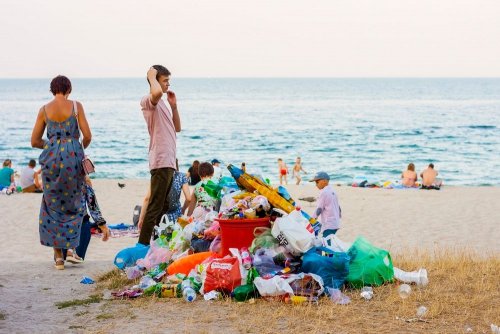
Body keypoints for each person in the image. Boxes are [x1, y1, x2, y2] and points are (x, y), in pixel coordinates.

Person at [31, 75, 91, 270]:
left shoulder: (44, 110)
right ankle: (72, 249)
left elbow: (34, 141)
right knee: (76, 202)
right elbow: (87, 135)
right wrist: (77, 146)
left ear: (52, 90)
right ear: (69, 89)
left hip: (52, 160)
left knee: (52, 204)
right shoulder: (76, 106)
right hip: (73, 158)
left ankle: (58, 258)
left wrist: (52, 145)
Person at [138, 65, 181, 247]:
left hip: (169, 161)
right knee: (155, 206)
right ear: (154, 81)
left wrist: (174, 106)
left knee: (163, 206)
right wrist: (151, 75)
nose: (168, 84)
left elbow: (177, 127)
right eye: (165, 80)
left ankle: (157, 244)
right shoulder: (148, 101)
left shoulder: (163, 103)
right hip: (160, 160)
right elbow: (155, 93)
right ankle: (142, 245)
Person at [138, 160, 192, 229]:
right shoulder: (182, 176)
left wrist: (141, 219)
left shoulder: (157, 177)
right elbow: (188, 199)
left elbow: (147, 199)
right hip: (176, 217)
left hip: (160, 218)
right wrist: (183, 210)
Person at [309, 171, 341, 237]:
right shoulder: (333, 190)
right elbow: (338, 207)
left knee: (326, 244)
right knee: (329, 241)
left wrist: (312, 220)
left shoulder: (324, 192)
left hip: (329, 224)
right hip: (335, 222)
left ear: (324, 181)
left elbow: (319, 209)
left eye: (317, 182)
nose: (316, 184)